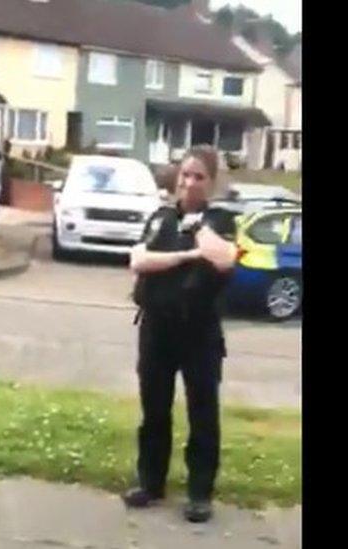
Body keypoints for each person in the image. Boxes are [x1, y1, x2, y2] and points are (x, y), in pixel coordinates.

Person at [122, 145, 239, 523]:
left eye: (198, 177)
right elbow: (139, 260)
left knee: (202, 413)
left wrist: (199, 227)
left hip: (200, 333)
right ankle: (151, 483)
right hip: (157, 328)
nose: (189, 184)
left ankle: (199, 493)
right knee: (154, 409)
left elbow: (223, 257)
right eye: (185, 175)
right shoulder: (161, 218)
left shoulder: (220, 220)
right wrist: (186, 257)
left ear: (212, 182)